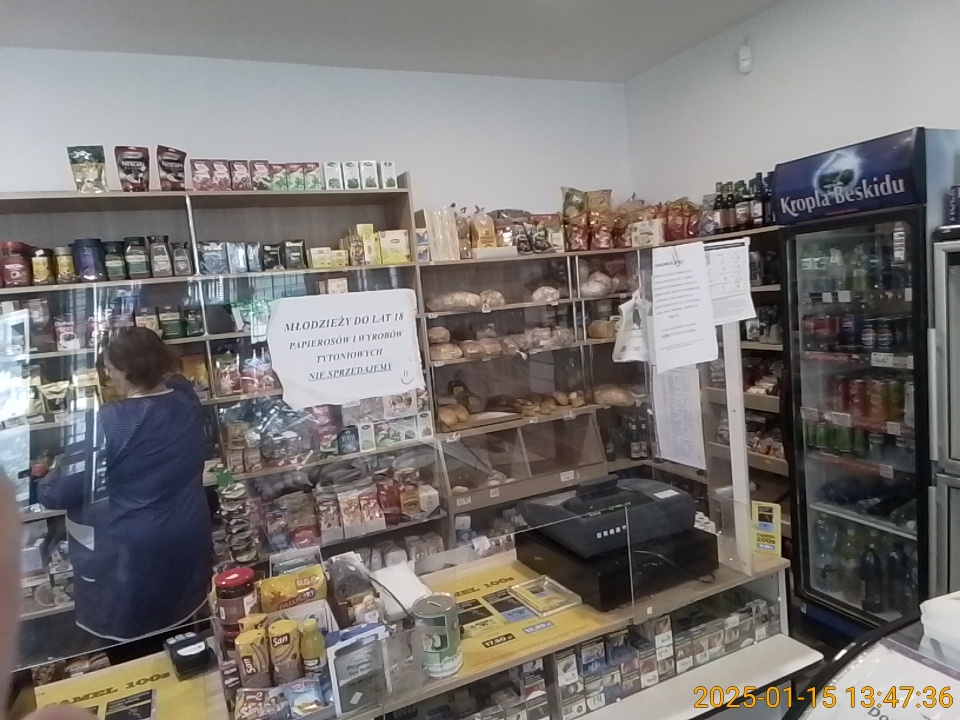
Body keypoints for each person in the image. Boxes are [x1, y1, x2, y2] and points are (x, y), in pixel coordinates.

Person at [35, 327, 212, 643]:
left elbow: (60, 492)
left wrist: (41, 479)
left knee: (136, 647)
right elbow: (176, 380)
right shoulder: (186, 400)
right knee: (184, 638)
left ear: (128, 371)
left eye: (109, 367)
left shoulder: (106, 422)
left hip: (129, 559)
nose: (107, 374)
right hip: (187, 540)